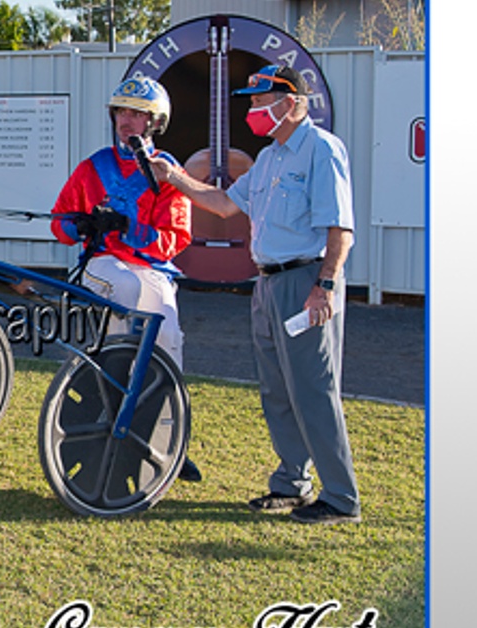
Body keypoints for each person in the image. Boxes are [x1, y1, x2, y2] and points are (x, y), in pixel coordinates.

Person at [147, 65, 360, 525]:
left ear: (291, 103)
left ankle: (341, 498)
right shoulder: (269, 158)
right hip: (266, 283)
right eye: (251, 102)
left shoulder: (321, 150)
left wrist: (324, 285)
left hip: (305, 281)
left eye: (260, 101)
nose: (252, 110)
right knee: (278, 389)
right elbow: (224, 204)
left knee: (313, 389)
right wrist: (175, 177)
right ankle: (293, 484)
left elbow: (340, 229)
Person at [49, 75, 200, 482]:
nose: (126, 121)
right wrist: (82, 226)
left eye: (137, 114)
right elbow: (59, 223)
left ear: (155, 122)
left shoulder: (168, 172)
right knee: (129, 295)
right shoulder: (92, 168)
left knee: (166, 330)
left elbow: (175, 239)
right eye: (122, 112)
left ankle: (171, 441)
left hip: (151, 269)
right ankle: (106, 418)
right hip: (104, 267)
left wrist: (128, 228)